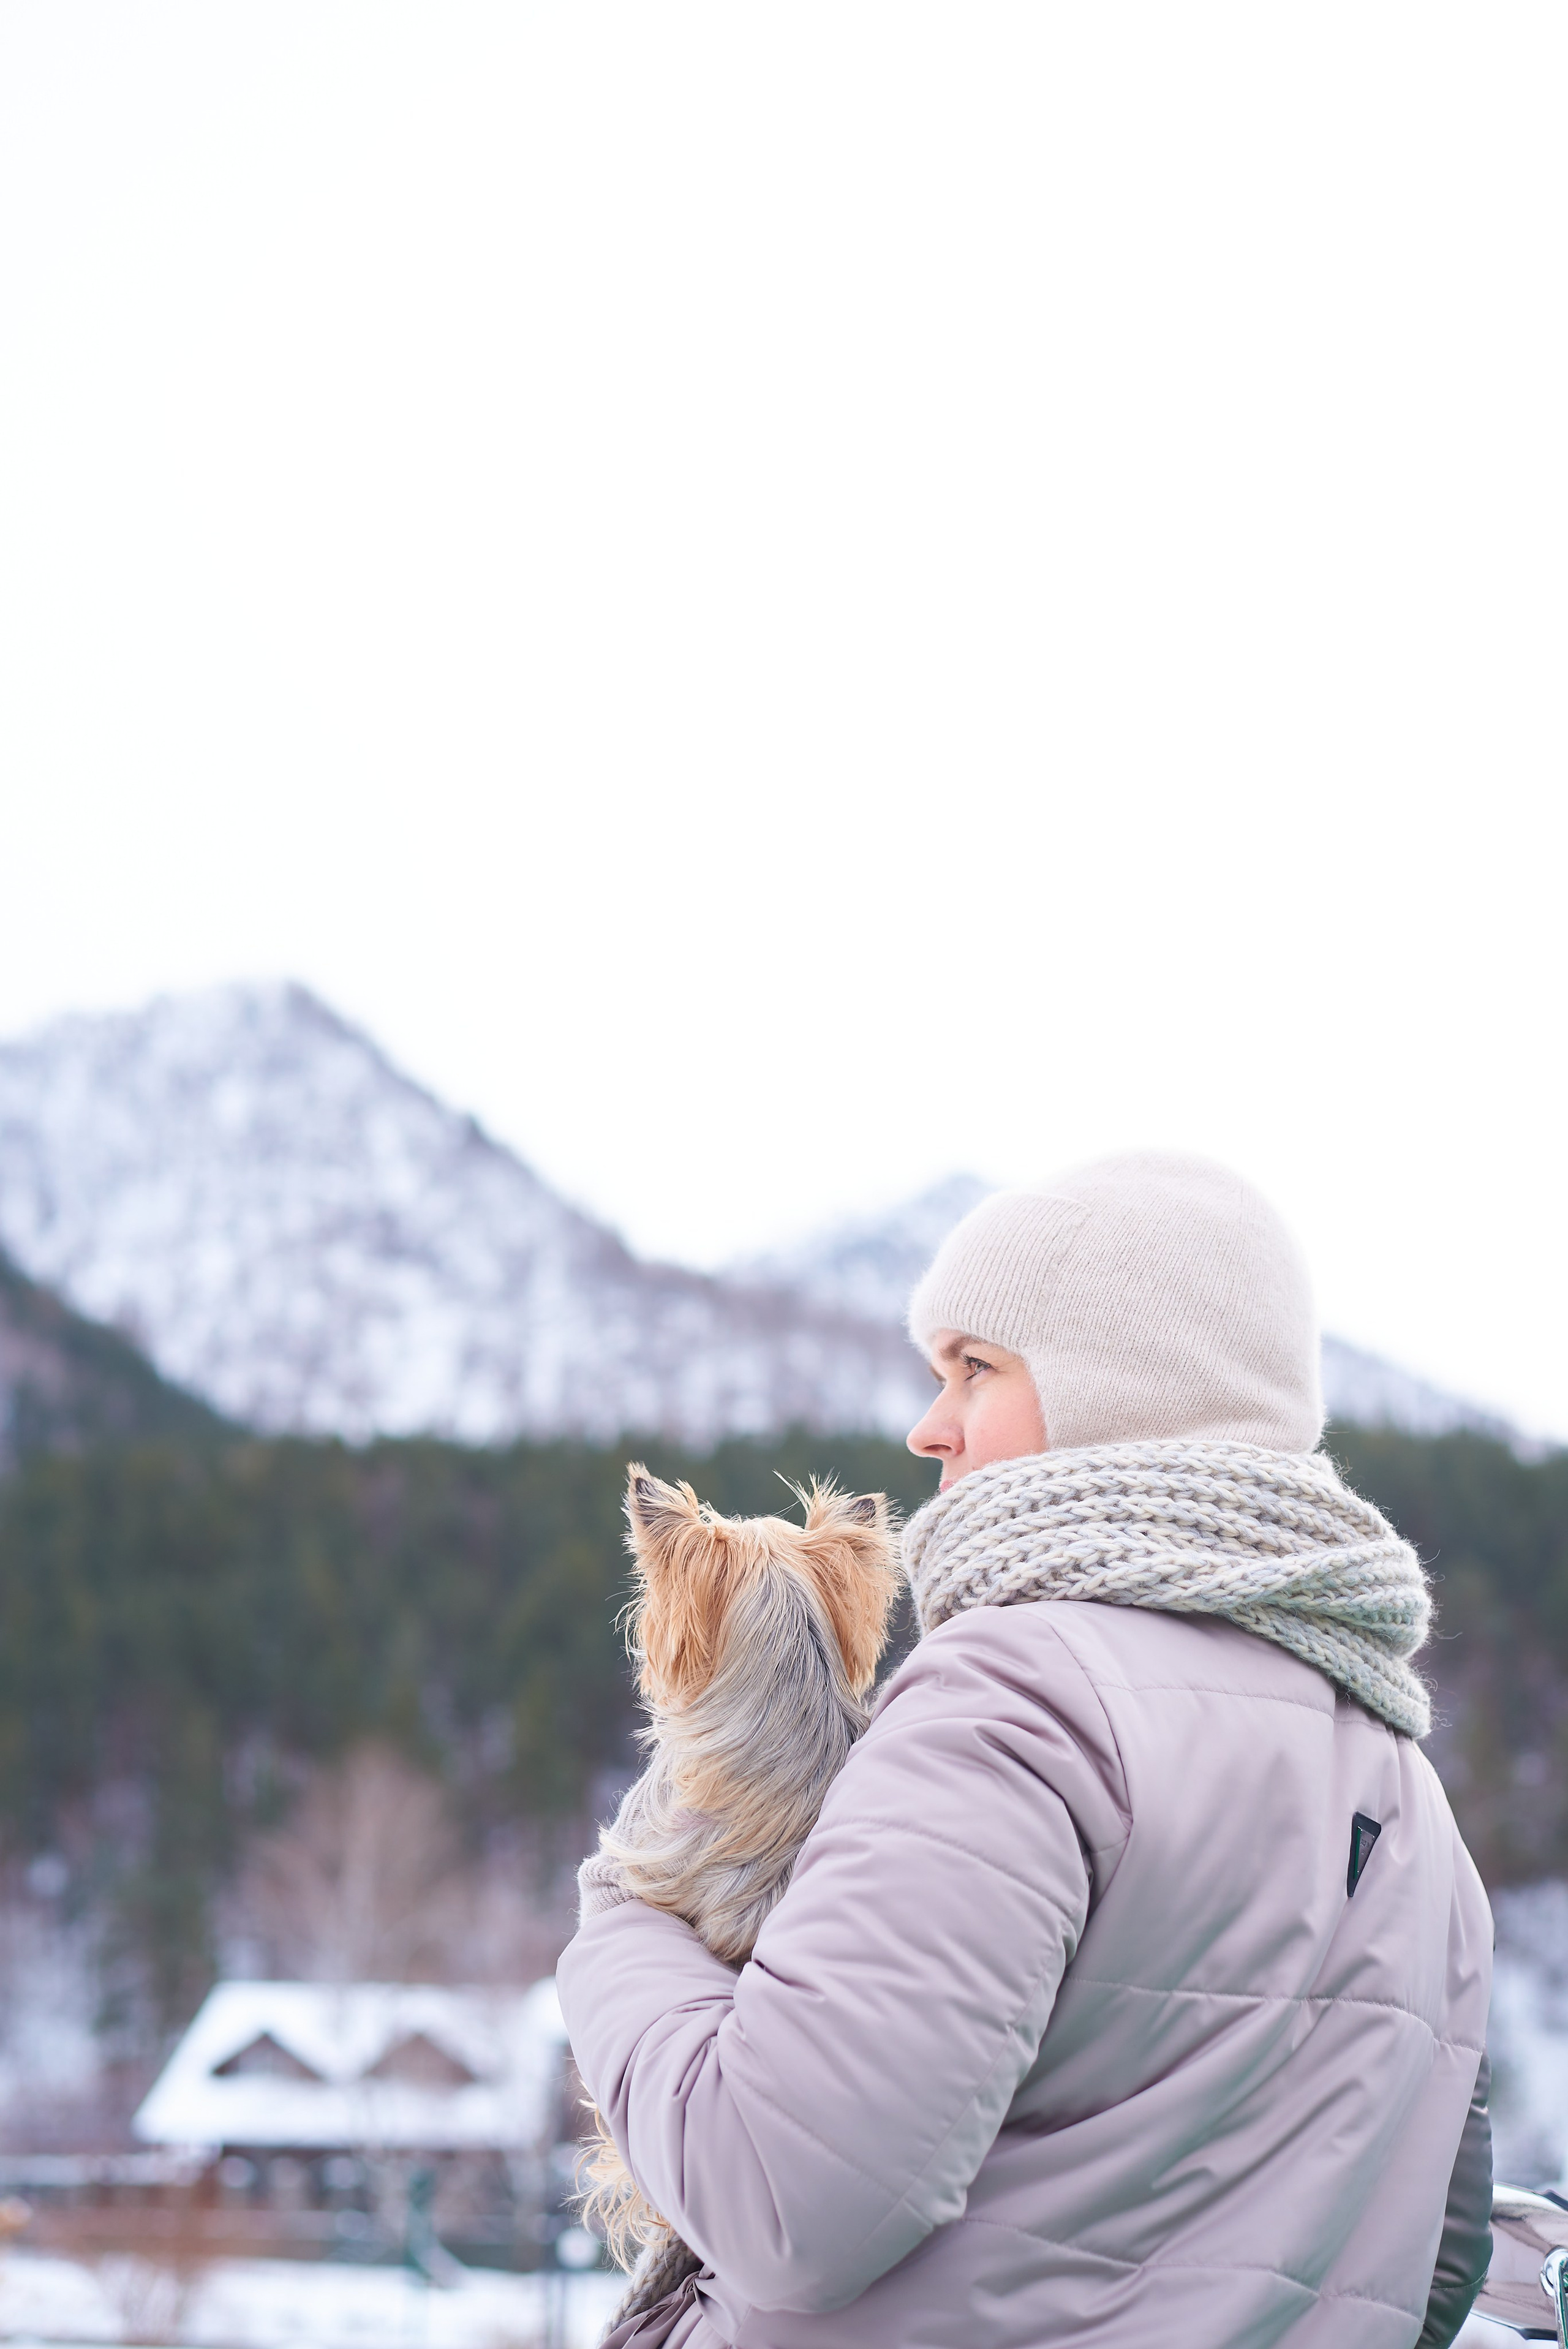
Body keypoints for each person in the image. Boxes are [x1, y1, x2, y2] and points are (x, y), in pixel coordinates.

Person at [558, 1152, 1493, 2348]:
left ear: (1118, 1393)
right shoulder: (1403, 1782)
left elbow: (781, 2197)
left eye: (973, 1369)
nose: (926, 1425)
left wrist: (619, 1926)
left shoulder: (1015, 1704)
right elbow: (1434, 2256)